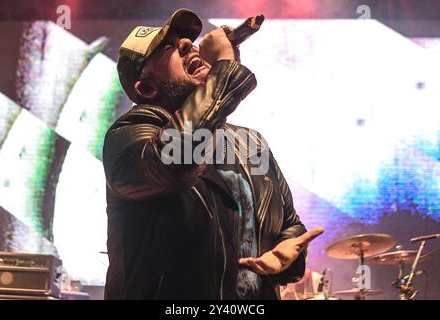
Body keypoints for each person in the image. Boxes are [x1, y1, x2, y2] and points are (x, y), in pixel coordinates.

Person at [102, 8, 323, 300]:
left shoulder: (251, 143)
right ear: (146, 88)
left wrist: (287, 253)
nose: (187, 44)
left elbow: (289, 224)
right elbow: (175, 160)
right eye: (168, 47)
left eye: (186, 39)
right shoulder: (129, 135)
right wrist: (225, 67)